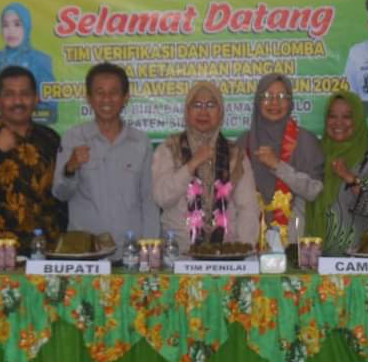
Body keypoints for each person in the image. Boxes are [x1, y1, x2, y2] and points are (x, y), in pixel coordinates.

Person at [53, 63, 158, 257]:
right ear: (89, 98)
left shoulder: (141, 142)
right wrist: (70, 167)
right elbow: (60, 194)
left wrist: (150, 248)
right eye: (99, 92)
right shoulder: (73, 138)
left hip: (130, 253)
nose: (107, 99)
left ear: (125, 97)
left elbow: (149, 200)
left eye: (114, 92)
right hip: (86, 253)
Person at [0, 66, 66, 250]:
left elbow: (62, 196)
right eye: (9, 94)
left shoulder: (50, 139)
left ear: (36, 98)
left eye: (25, 94)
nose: (18, 101)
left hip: (46, 250)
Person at [152, 82, 260, 250]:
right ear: (187, 111)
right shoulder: (169, 148)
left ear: (220, 112)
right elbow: (161, 197)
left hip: (226, 254)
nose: (203, 111)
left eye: (210, 105)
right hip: (179, 253)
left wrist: (243, 249)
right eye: (197, 105)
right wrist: (192, 164)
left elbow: (248, 207)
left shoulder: (235, 155)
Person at [235, 73, 324, 247]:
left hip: (293, 243)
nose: (274, 102)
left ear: (290, 102)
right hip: (249, 243)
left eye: (282, 96)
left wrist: (278, 166)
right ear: (258, 101)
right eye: (267, 95)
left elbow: (314, 191)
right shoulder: (243, 143)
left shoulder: (306, 141)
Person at [304, 92, 368, 255]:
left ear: (358, 120)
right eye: (332, 116)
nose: (338, 123)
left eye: (347, 117)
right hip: (313, 258)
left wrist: (350, 178)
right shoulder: (315, 156)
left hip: (357, 260)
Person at [0, 3, 55, 103]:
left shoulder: (41, 60)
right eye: (5, 25)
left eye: (17, 24)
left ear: (27, 26)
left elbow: (50, 103)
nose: (11, 31)